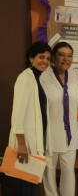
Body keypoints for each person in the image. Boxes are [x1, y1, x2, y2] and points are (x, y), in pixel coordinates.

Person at [8, 41, 52, 196]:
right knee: (27, 186)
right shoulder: (25, 78)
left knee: (32, 184)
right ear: (31, 58)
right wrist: (21, 144)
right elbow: (17, 113)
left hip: (35, 141)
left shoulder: (36, 78)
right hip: (26, 143)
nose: (45, 62)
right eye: (41, 57)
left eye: (48, 58)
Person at [41, 42, 78, 196]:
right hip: (50, 133)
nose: (66, 59)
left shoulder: (75, 76)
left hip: (71, 134)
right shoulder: (43, 77)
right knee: (49, 173)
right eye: (61, 55)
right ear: (53, 57)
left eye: (69, 55)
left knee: (69, 172)